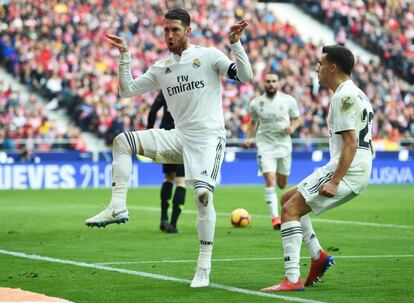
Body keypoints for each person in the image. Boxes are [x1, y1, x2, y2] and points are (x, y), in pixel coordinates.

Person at [85, 8, 252, 288]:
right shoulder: (161, 68)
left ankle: (203, 266)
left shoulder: (209, 55)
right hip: (178, 136)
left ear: (188, 30)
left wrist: (235, 43)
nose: (169, 35)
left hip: (209, 139)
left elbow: (244, 76)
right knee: (122, 141)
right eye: (166, 30)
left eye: (175, 29)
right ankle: (117, 207)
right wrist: (125, 56)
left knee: (201, 196)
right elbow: (126, 90)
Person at [261, 45, 373, 292]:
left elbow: (351, 143)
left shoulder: (343, 96)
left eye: (320, 63)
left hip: (348, 167)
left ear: (332, 67)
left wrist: (335, 180)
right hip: (354, 165)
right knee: (287, 198)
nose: (316, 68)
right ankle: (318, 256)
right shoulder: (356, 93)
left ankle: (292, 279)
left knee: (289, 210)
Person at [243, 73, 302, 230]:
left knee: (282, 184)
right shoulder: (256, 103)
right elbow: (253, 123)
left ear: (278, 83)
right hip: (265, 146)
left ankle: (277, 204)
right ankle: (275, 218)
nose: (271, 84)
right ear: (264, 84)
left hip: (284, 146)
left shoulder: (288, 100)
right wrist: (249, 138)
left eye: (274, 81)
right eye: (268, 81)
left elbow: (297, 118)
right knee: (270, 179)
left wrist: (292, 127)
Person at [147, 91, 186, 234]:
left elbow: (152, 111)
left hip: (165, 137)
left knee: (169, 177)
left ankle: (164, 219)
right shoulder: (189, 88)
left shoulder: (166, 87)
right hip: (182, 136)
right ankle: (173, 224)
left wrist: (149, 131)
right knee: (180, 181)